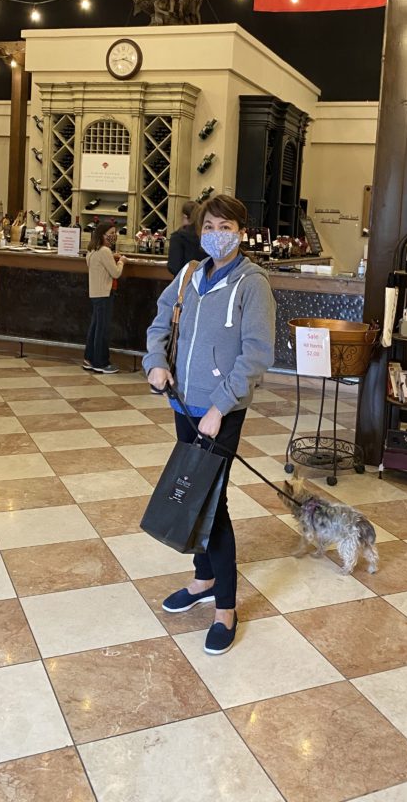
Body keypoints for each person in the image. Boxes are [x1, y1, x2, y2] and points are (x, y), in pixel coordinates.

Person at [144, 194, 276, 655]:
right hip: (183, 406)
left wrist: (221, 406)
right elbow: (160, 323)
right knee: (194, 494)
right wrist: (155, 362)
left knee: (211, 505)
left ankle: (225, 607)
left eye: (225, 226)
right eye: (209, 226)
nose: (215, 233)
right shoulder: (187, 277)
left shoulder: (252, 283)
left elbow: (257, 353)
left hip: (223, 411)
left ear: (240, 230)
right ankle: (203, 579)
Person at [84, 221, 124, 375]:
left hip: (95, 293)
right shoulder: (105, 251)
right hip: (105, 294)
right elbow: (116, 273)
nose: (114, 236)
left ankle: (89, 358)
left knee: (95, 327)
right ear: (103, 235)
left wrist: (112, 257)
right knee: (102, 329)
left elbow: (98, 263)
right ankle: (101, 362)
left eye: (115, 233)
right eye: (111, 233)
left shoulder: (92, 250)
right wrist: (121, 262)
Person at [167, 200, 207, 276]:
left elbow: (174, 267)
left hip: (184, 282)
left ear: (185, 216)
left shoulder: (178, 237)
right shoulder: (205, 235)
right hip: (204, 280)